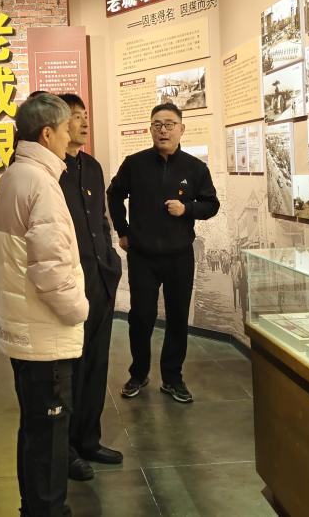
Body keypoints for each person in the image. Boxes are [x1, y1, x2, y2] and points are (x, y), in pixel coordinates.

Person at [0, 93, 89, 517]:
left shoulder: (18, 174)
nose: (73, 134)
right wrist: (79, 310)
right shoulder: (41, 183)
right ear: (47, 133)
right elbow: (51, 270)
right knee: (49, 435)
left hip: (27, 327)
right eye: (67, 127)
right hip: (45, 332)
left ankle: (33, 508)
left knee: (35, 429)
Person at [107, 102, 220, 404]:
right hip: (142, 256)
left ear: (181, 129)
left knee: (178, 317)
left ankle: (172, 378)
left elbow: (211, 205)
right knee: (140, 317)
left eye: (169, 124)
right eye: (157, 124)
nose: (163, 130)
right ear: (150, 130)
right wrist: (122, 230)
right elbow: (114, 194)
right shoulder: (135, 163)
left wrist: (187, 209)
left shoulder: (195, 168)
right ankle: (138, 373)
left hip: (179, 256)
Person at [56, 93, 123, 482]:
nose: (83, 122)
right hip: (69, 282)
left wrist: (110, 261)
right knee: (69, 369)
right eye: (75, 116)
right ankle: (64, 448)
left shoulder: (92, 167)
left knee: (96, 363)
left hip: (99, 277)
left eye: (85, 115)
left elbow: (101, 220)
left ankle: (88, 439)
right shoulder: (49, 169)